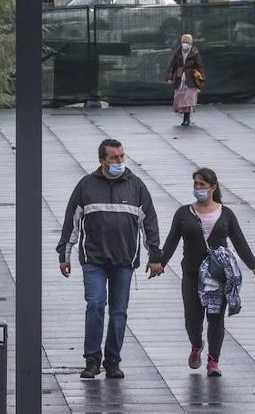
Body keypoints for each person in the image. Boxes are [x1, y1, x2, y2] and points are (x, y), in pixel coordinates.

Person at [56, 138, 163, 380]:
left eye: (122, 156)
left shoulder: (136, 186)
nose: (119, 161)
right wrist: (65, 254)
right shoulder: (86, 186)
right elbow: (71, 222)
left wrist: (155, 256)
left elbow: (150, 223)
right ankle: (92, 360)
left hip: (124, 262)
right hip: (94, 260)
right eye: (114, 157)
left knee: (118, 312)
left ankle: (112, 360)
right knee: (95, 305)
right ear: (102, 160)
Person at [158, 168, 255, 377]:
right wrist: (159, 263)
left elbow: (239, 241)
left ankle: (213, 361)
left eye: (202, 185)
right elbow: (171, 241)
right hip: (191, 274)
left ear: (213, 187)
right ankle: (196, 345)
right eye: (195, 184)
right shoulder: (183, 213)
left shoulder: (226, 214)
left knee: (215, 318)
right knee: (192, 318)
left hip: (217, 276)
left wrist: (254, 266)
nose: (198, 188)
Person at [167, 33, 204, 126]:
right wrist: (170, 77)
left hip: (190, 78)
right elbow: (172, 66)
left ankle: (186, 118)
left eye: (187, 42)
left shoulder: (194, 53)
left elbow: (200, 66)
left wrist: (201, 80)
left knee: (188, 98)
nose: (185, 44)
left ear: (190, 43)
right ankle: (183, 114)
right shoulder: (178, 53)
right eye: (183, 42)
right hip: (180, 78)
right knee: (179, 96)